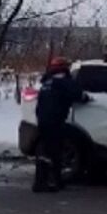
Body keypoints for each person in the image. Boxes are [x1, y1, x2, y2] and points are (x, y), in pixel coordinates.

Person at [33, 57, 90, 193]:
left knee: (46, 151)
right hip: (55, 121)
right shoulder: (64, 82)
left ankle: (49, 182)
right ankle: (47, 183)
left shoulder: (47, 82)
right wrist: (86, 97)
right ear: (64, 68)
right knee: (54, 152)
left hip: (43, 120)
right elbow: (79, 95)